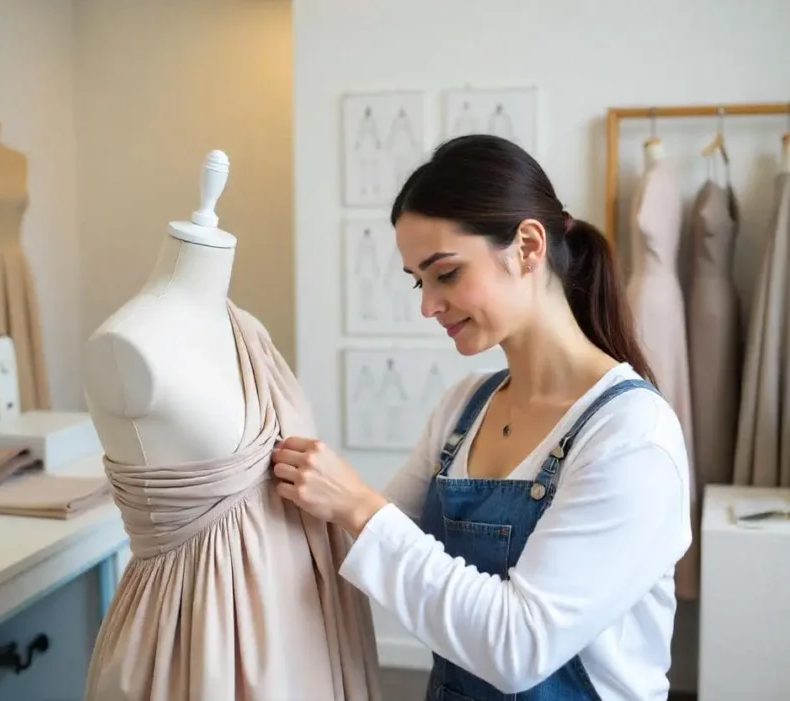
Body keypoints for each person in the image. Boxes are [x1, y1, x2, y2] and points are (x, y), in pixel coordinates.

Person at [272, 134, 692, 701]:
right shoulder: (463, 408)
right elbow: (362, 549)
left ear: (527, 246)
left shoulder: (631, 437)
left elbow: (518, 647)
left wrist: (356, 503)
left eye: (444, 273)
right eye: (418, 281)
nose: (427, 305)